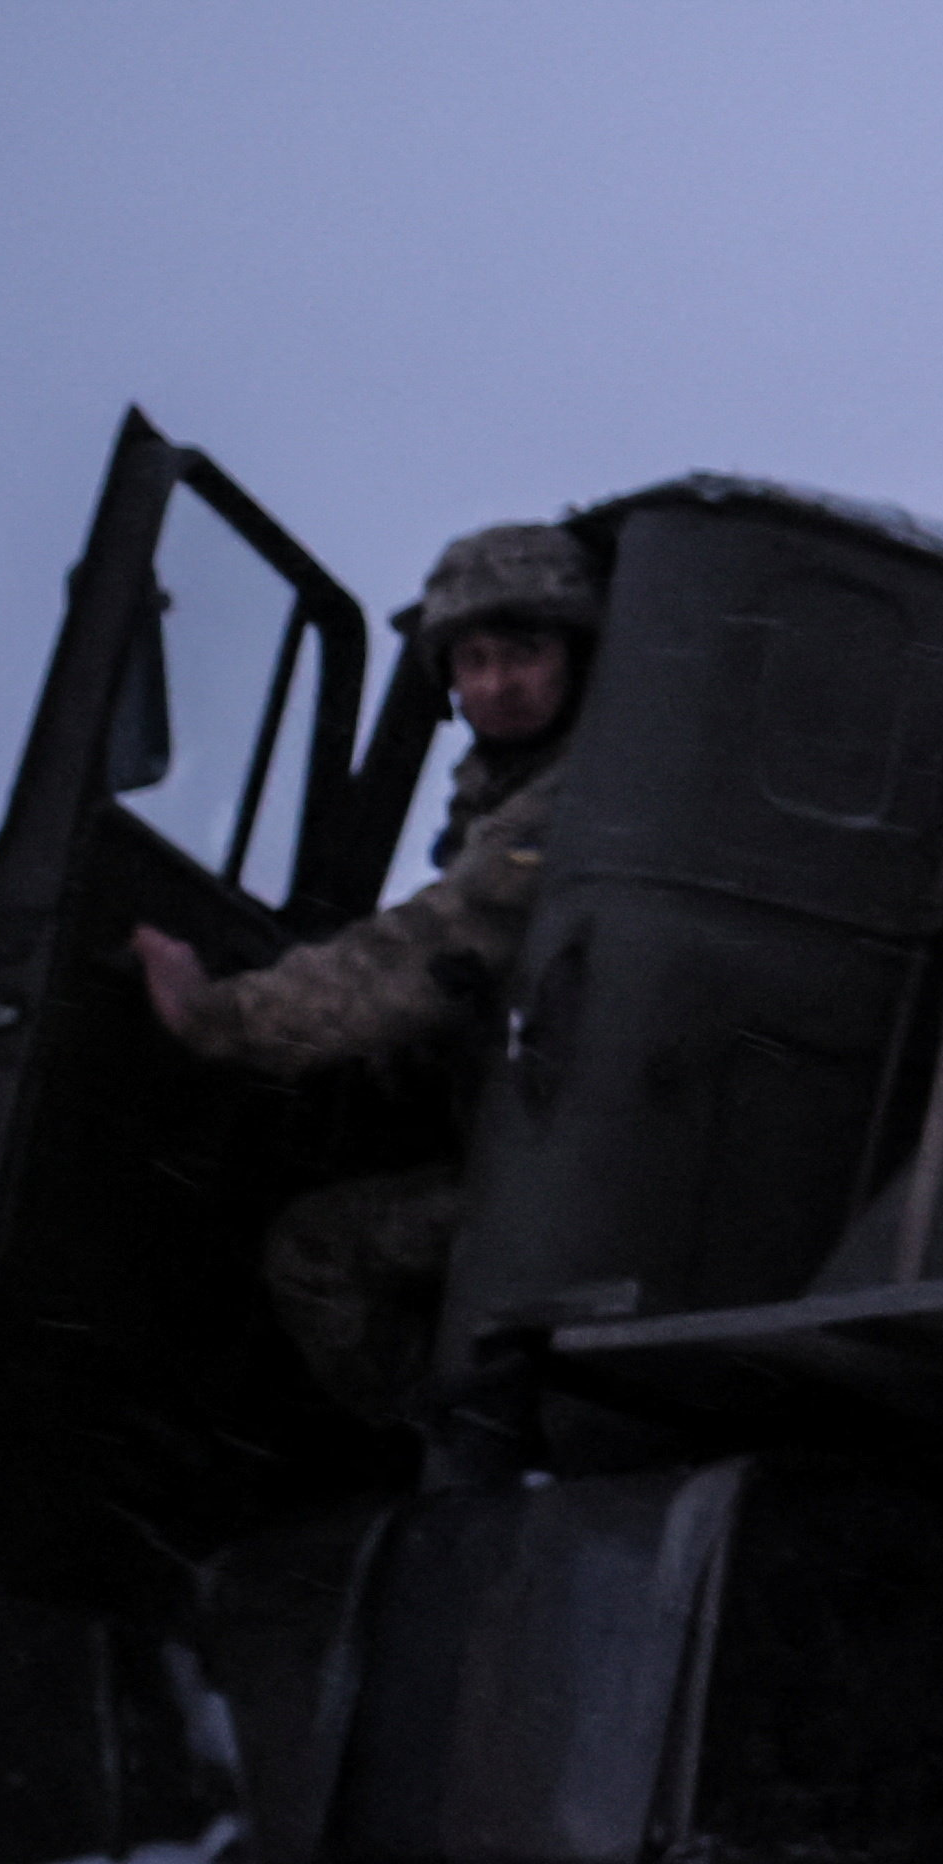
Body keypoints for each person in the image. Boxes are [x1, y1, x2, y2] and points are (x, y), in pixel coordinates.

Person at [134, 517, 597, 1426]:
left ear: (577, 658)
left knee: (315, 1254)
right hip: (539, 1137)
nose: (496, 684)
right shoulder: (515, 792)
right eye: (474, 660)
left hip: (563, 1173)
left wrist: (223, 1016)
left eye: (525, 653)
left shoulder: (562, 806)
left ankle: (458, 1447)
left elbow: (429, 947)